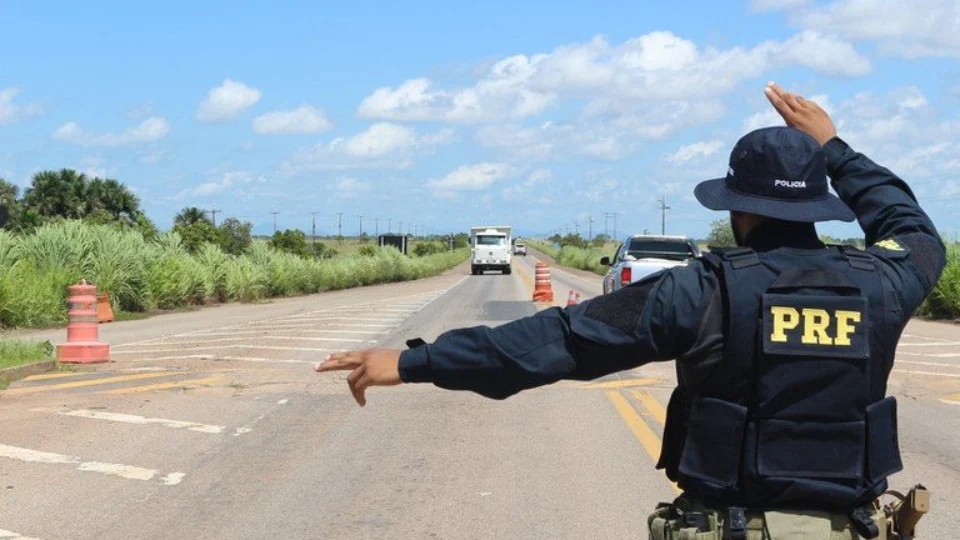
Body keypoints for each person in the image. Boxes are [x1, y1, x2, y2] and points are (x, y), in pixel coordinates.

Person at [315, 83, 947, 539]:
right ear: (818, 206)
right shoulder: (886, 281)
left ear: (738, 209)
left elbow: (555, 342)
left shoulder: (706, 290)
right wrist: (834, 148)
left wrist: (413, 360)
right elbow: (912, 227)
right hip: (856, 529)